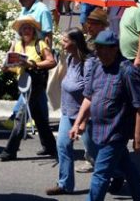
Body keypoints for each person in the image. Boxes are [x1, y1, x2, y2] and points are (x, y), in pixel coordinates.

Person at [69, 29, 140, 201]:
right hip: (99, 130)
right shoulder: (96, 67)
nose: (101, 52)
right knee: (127, 167)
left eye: (106, 48)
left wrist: (138, 138)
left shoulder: (127, 71)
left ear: (115, 48)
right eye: (98, 48)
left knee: (100, 175)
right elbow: (88, 97)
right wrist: (78, 123)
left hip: (116, 132)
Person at [0, 16, 57, 161]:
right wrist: (6, 68)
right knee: (39, 117)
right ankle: (50, 147)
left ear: (34, 30)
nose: (27, 30)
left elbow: (52, 61)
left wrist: (33, 64)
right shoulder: (17, 45)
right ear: (20, 31)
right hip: (24, 84)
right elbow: (16, 67)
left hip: (35, 84)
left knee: (20, 115)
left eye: (29, 28)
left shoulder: (40, 44)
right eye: (24, 28)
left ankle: (10, 150)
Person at [46, 28, 96, 196]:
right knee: (62, 146)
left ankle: (117, 173)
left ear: (75, 43)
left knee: (95, 152)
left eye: (65, 41)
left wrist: (82, 121)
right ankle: (64, 184)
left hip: (85, 116)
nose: (62, 44)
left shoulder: (88, 64)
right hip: (68, 112)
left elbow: (90, 93)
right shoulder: (69, 58)